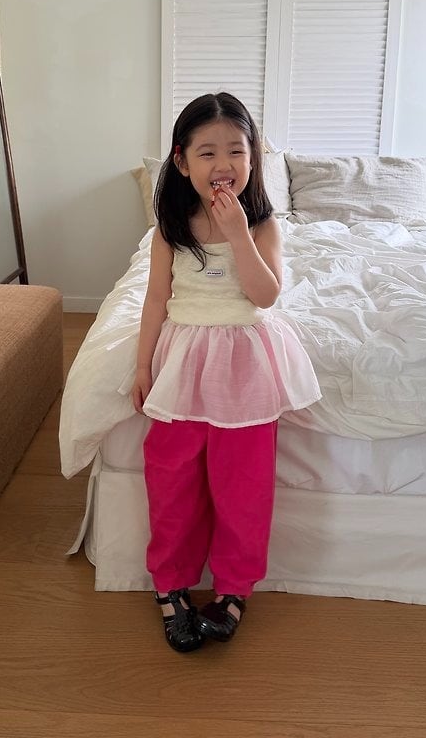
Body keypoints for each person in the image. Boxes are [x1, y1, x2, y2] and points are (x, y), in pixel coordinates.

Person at [132, 92, 320, 653]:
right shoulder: (170, 229)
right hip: (184, 365)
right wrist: (142, 366)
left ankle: (234, 589)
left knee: (243, 487)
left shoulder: (262, 226)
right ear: (182, 161)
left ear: (253, 158)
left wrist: (239, 234)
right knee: (171, 480)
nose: (223, 164)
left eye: (236, 151)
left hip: (244, 368)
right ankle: (170, 585)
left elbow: (265, 295)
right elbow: (155, 300)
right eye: (207, 152)